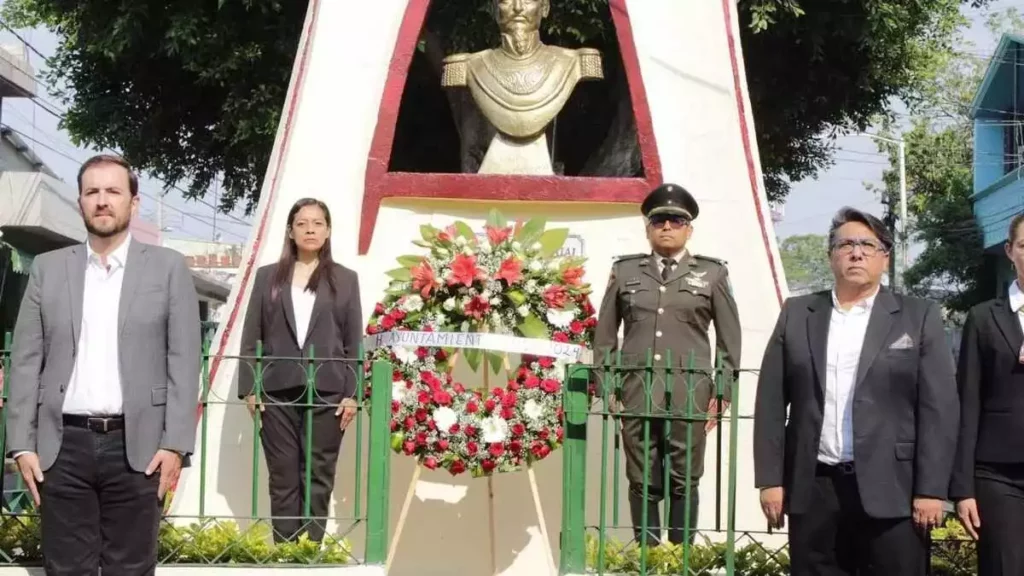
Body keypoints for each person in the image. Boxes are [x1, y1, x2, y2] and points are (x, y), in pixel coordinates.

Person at [4, 154, 201, 574]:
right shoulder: (49, 269)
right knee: (66, 569)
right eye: (92, 192)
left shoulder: (168, 269)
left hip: (140, 447)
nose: (102, 201)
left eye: (113, 191)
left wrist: (175, 445)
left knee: (130, 568)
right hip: (62, 448)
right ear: (80, 202)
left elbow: (185, 361)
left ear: (134, 201)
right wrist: (22, 444)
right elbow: (25, 360)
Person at [753, 207, 958, 575]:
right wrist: (770, 480)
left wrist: (931, 490)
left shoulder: (918, 315)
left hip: (894, 488)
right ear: (831, 255)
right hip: (815, 486)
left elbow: (938, 409)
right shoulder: (798, 313)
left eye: (868, 244)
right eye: (845, 243)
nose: (856, 252)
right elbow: (769, 403)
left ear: (885, 256)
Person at [594, 183, 741, 546]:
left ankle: (679, 557)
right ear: (648, 228)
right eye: (659, 220)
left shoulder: (712, 274)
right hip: (636, 390)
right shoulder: (625, 271)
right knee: (642, 476)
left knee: (684, 476)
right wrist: (608, 385)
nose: (667, 227)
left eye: (676, 220)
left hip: (689, 392)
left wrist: (722, 391)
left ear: (689, 229)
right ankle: (647, 554)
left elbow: (729, 339)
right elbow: (605, 337)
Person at [239, 198, 362, 543]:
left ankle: (310, 550)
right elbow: (252, 335)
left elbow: (354, 342)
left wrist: (352, 394)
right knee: (282, 474)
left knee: (319, 474)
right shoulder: (268, 277)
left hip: (328, 390)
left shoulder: (346, 279)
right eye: (302, 223)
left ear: (328, 231)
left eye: (318, 223)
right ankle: (284, 551)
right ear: (290, 231)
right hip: (276, 390)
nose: (310, 229)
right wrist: (251, 387)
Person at [950, 213, 1024, 575]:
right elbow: (967, 402)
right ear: (1010, 251)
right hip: (998, 473)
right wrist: (962, 487)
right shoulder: (983, 318)